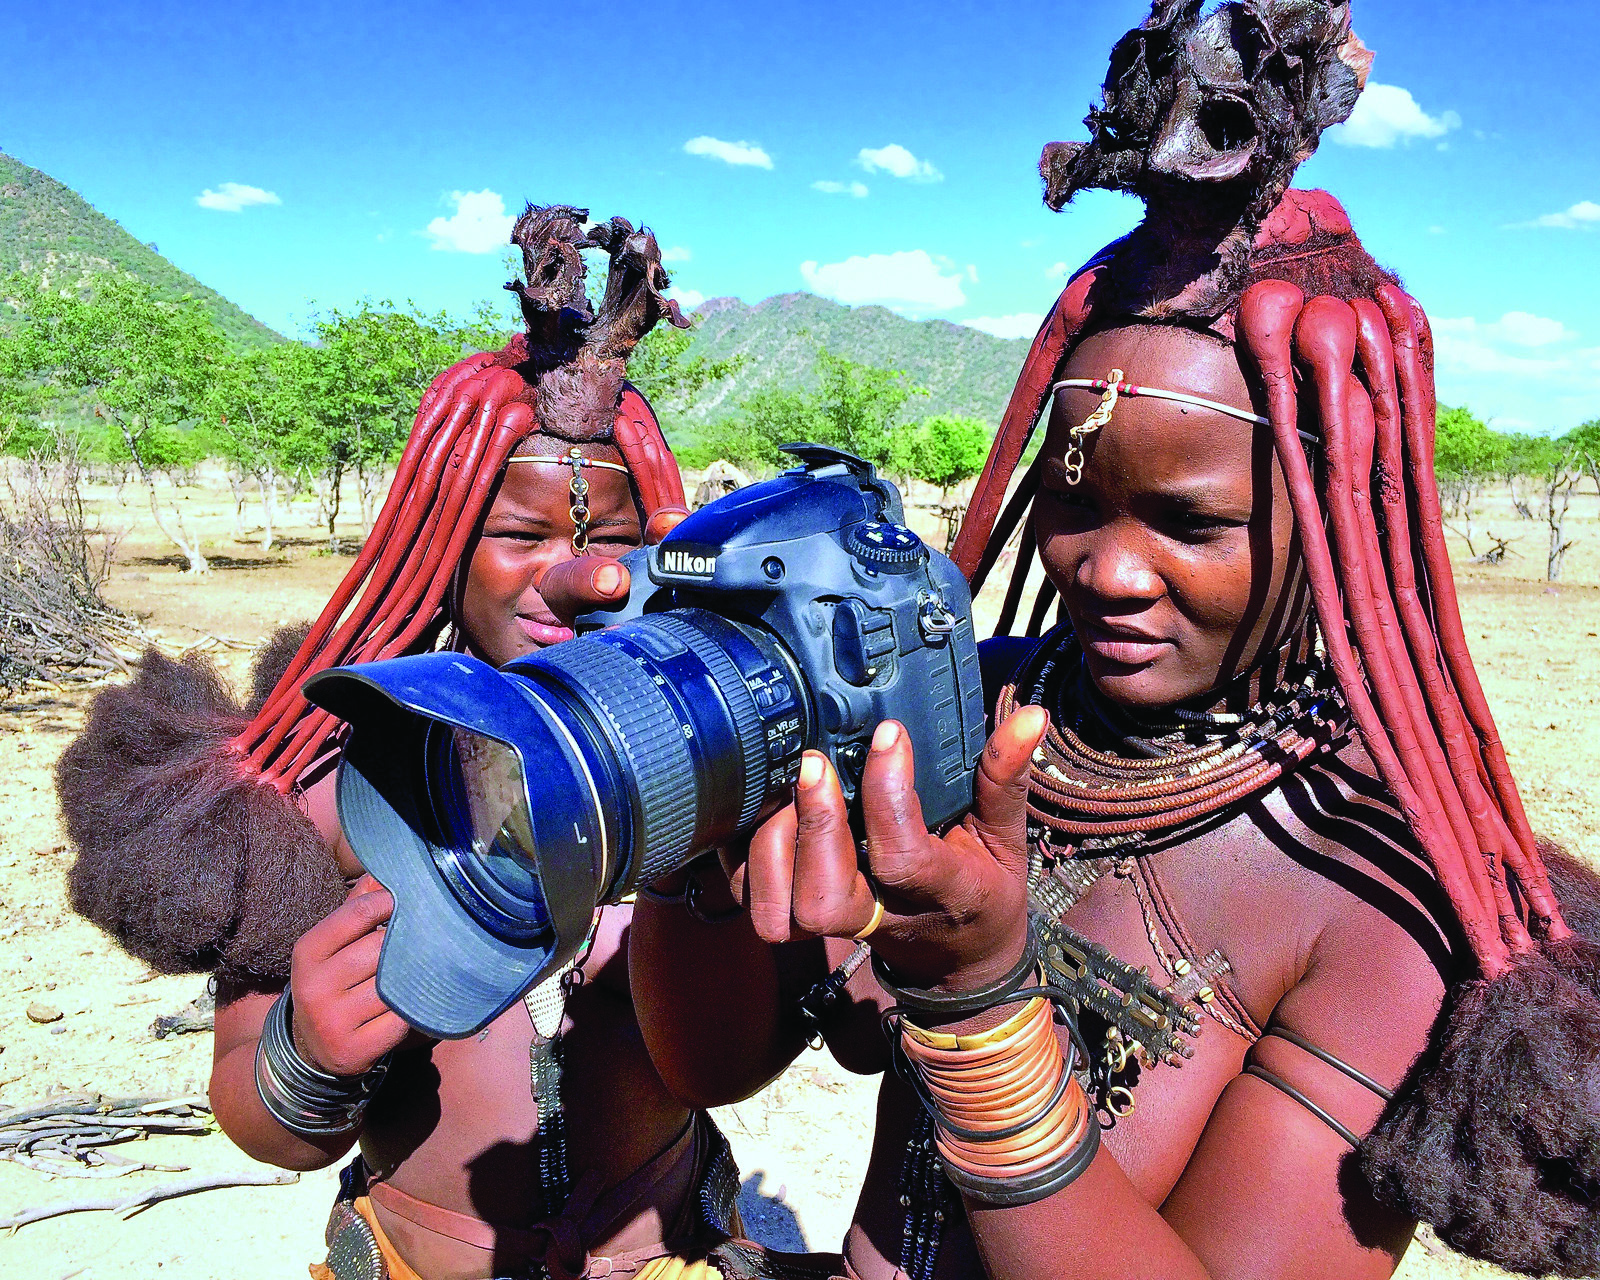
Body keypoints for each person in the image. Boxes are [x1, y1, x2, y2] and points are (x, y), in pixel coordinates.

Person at [631, 6, 1600, 1279]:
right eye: (1074, 506)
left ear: (1332, 521)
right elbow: (709, 1063)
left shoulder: (1375, 896)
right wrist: (704, 837)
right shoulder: (960, 710)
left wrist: (979, 1008)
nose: (1107, 571)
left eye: (1190, 522)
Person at [58, 206, 830, 1280]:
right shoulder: (336, 777)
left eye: (609, 537)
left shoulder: (717, 758)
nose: (580, 577)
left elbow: (771, 1035)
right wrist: (308, 1054)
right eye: (519, 536)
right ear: (443, 542)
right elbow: (259, 1102)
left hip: (671, 1252)